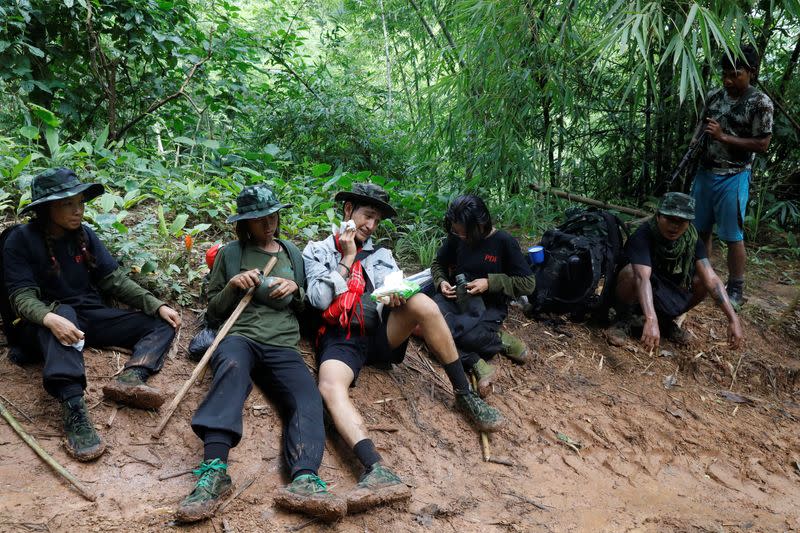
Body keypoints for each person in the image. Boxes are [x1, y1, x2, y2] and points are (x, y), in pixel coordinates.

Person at [303, 183, 504, 514]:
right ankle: (376, 469)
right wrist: (348, 256)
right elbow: (319, 300)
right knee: (328, 385)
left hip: (381, 332)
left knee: (422, 302)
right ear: (348, 211)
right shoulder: (319, 251)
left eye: (376, 220)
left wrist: (399, 296)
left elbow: (396, 288)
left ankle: (464, 396)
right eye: (367, 216)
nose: (370, 226)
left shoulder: (382, 256)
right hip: (343, 338)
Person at [176, 184, 346, 523]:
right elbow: (213, 313)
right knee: (232, 368)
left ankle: (305, 478)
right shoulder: (230, 254)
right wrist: (233, 285)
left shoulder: (292, 254)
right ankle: (214, 470)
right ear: (245, 224)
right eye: (259, 219)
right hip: (240, 335)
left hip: (282, 342)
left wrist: (296, 289)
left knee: (307, 397)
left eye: (273, 216)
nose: (269, 224)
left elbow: (302, 310)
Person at [2, 168, 180, 461]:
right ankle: (74, 408)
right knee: (66, 312)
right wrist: (49, 317)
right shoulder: (20, 240)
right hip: (41, 324)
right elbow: (21, 297)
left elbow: (114, 280)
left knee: (160, 322)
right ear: (47, 208)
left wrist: (156, 304)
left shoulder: (84, 235)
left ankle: (132, 377)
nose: (78, 210)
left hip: (85, 317)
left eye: (80, 202)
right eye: (67, 204)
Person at [689, 44, 773, 307]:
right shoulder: (715, 97)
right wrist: (692, 149)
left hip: (733, 175)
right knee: (700, 228)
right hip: (705, 171)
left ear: (751, 72)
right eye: (725, 74)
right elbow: (700, 127)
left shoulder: (759, 102)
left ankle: (736, 286)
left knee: (732, 234)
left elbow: (762, 144)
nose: (728, 80)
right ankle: (701, 274)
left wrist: (723, 136)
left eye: (735, 74)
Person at [607, 192, 744, 351]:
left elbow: (711, 279)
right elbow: (641, 278)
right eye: (669, 219)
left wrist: (733, 320)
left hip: (664, 289)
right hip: (637, 291)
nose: (674, 226)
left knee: (701, 281)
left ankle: (665, 321)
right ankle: (623, 320)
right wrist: (651, 319)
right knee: (631, 273)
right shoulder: (643, 235)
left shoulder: (691, 239)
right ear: (658, 216)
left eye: (682, 221)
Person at [431, 194, 535, 397]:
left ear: (481, 225)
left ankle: (498, 339)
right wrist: (441, 282)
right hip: (457, 300)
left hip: (489, 307)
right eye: (456, 232)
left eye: (464, 233)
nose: (460, 237)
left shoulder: (503, 242)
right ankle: (476, 362)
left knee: (465, 335)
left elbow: (528, 284)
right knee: (429, 328)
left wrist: (490, 283)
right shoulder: (456, 237)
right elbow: (437, 264)